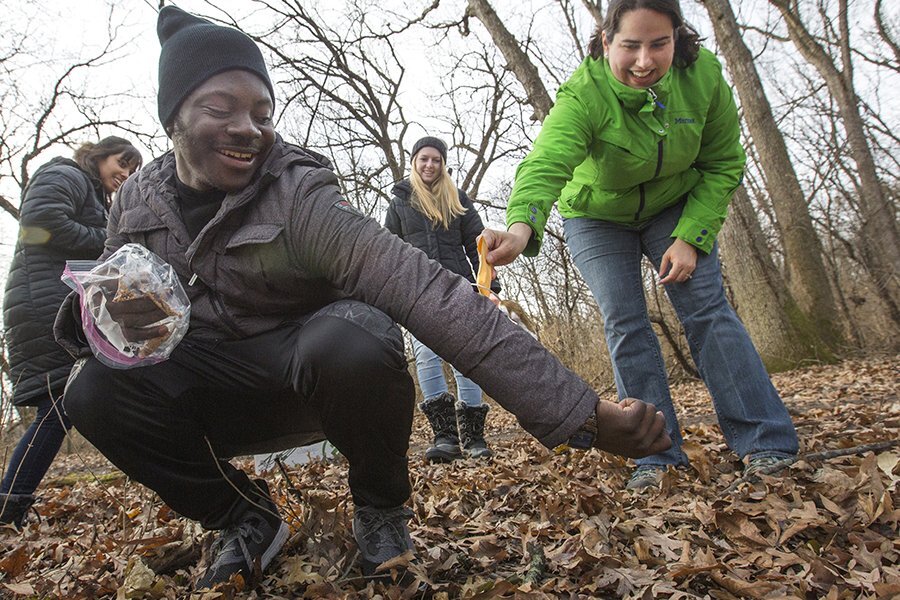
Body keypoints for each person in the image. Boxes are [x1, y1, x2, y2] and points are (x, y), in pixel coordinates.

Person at [55, 6, 670, 590]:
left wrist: (581, 414)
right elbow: (124, 315)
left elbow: (431, 294)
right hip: (216, 388)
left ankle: (380, 507)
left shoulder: (299, 197)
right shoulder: (134, 203)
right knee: (91, 390)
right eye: (221, 109)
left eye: (262, 112)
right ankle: (242, 516)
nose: (248, 129)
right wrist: (100, 321)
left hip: (319, 379)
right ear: (173, 120)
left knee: (349, 341)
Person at [481, 0, 798, 491]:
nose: (644, 61)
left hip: (676, 204)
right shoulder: (584, 94)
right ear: (607, 42)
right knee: (625, 319)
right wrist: (521, 227)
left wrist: (691, 237)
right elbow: (545, 164)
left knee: (707, 309)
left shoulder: (704, 77)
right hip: (596, 215)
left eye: (659, 44)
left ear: (679, 38)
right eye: (630, 46)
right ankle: (655, 454)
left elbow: (722, 163)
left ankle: (765, 442)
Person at [0, 137, 142, 528]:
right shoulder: (66, 172)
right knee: (60, 404)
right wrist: (109, 245)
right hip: (43, 307)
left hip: (57, 304)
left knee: (67, 403)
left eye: (132, 170)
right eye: (121, 162)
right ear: (99, 155)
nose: (125, 174)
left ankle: (11, 499)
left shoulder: (94, 198)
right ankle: (8, 501)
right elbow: (40, 224)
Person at [385, 136, 501, 462]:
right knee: (427, 358)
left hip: (461, 288)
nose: (429, 165)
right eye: (424, 159)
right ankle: (445, 438)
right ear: (414, 162)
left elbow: (479, 245)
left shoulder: (458, 199)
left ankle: (475, 439)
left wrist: (489, 286)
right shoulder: (399, 203)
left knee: (466, 362)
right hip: (418, 293)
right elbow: (388, 251)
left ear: (443, 164)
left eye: (436, 159)